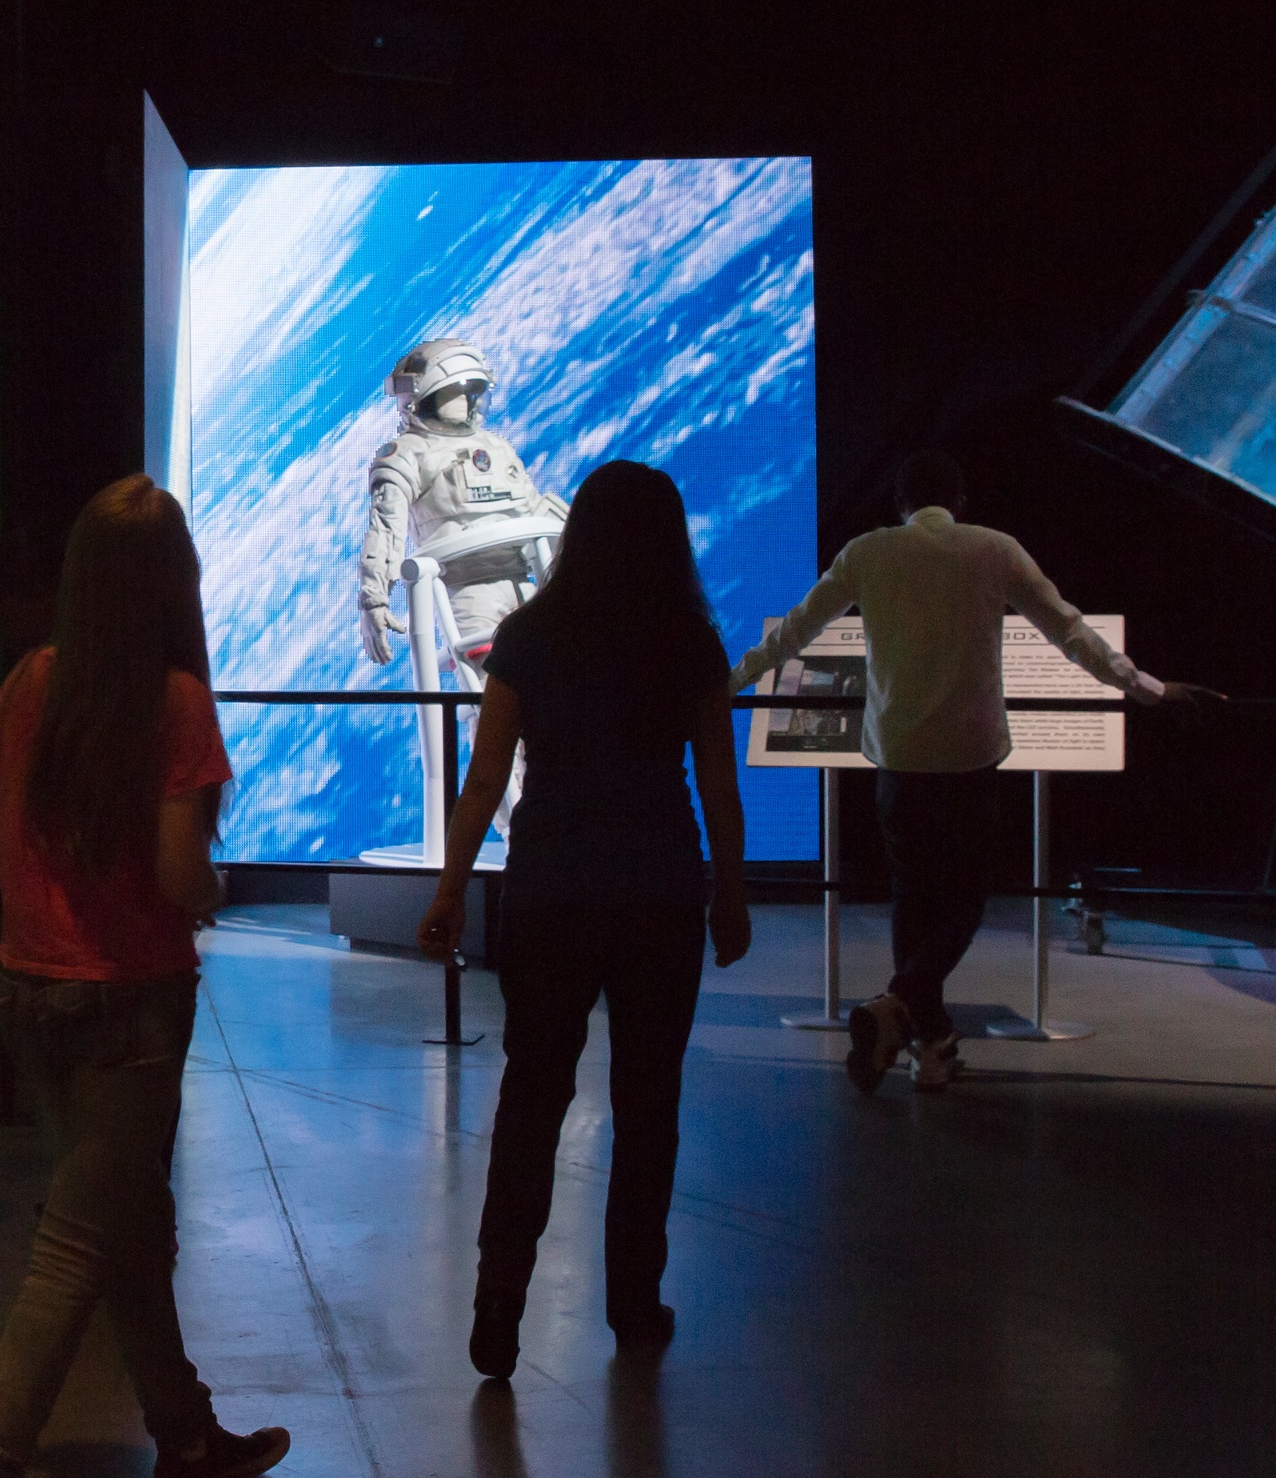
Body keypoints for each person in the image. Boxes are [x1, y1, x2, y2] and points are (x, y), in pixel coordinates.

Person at [0, 476, 288, 1478]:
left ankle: (183, 1437)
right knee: (84, 1239)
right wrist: (210, 885)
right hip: (131, 1004)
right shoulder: (177, 701)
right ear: (173, 582)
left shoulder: (26, 681)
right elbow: (183, 874)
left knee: (124, 1219)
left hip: (32, 995)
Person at [730, 451, 1214, 1094]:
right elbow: (1069, 632)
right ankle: (901, 1011)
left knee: (913, 896)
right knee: (961, 904)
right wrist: (1146, 688)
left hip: (897, 756)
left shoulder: (867, 553)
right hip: (970, 755)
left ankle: (929, 1046)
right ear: (959, 500)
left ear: (898, 503)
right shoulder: (995, 550)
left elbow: (792, 633)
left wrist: (725, 684)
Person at [413, 462, 751, 1378]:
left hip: (551, 890)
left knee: (532, 1094)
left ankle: (499, 1304)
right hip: (659, 891)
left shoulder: (529, 636)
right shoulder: (690, 641)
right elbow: (717, 784)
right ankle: (634, 1302)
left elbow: (485, 779)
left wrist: (449, 891)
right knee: (649, 1104)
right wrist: (731, 889)